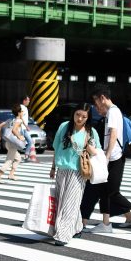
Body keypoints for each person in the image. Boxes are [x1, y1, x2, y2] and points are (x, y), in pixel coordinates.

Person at [84, 90, 131, 234]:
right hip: (112, 157)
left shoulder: (113, 112)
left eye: (96, 102)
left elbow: (113, 134)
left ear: (102, 98)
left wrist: (106, 157)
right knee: (105, 192)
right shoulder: (110, 113)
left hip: (115, 157)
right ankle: (106, 224)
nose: (96, 106)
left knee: (112, 192)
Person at [47, 105, 96, 245]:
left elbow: (96, 152)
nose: (79, 119)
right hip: (62, 170)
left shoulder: (90, 132)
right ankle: (78, 227)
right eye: (77, 115)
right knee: (62, 201)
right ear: (73, 114)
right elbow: (56, 148)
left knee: (70, 202)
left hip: (78, 172)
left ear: (88, 118)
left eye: (84, 116)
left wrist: (89, 147)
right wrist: (53, 167)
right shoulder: (64, 126)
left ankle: (63, 235)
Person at [0, 107, 26, 183]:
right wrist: (20, 137)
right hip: (13, 143)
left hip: (8, 142)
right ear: (18, 112)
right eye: (21, 111)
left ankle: (11, 174)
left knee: (18, 159)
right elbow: (14, 130)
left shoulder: (11, 120)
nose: (23, 112)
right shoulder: (19, 121)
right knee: (9, 160)